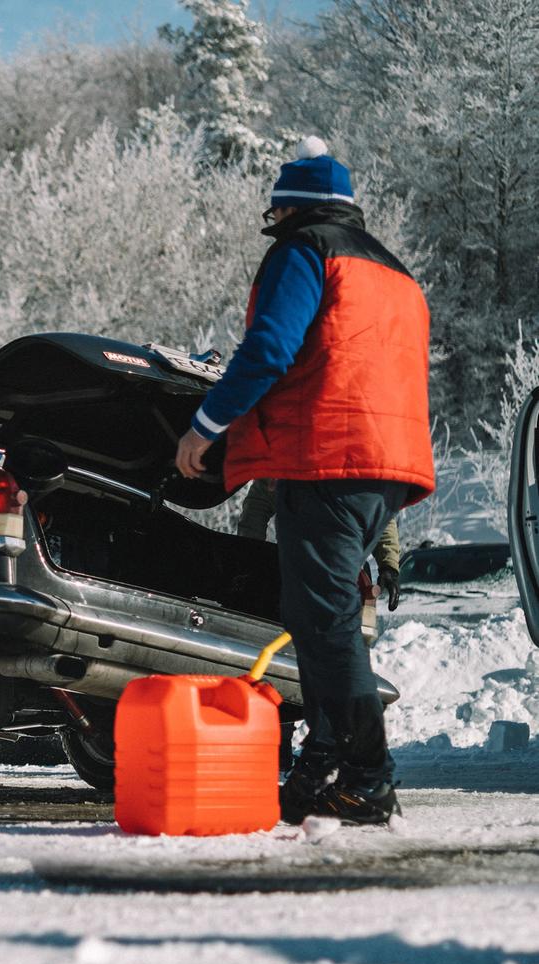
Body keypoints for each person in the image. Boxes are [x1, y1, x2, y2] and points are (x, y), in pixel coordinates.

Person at [174, 138, 434, 825]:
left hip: (327, 456)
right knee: (317, 619)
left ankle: (369, 775)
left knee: (325, 623)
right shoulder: (396, 272)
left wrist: (206, 425)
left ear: (288, 210)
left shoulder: (304, 250)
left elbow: (270, 349)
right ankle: (322, 761)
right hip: (388, 466)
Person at [238, 477, 403, 611]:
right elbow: (259, 502)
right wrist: (252, 551)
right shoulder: (294, 456)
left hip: (342, 576)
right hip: (291, 572)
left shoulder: (358, 462)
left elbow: (380, 512)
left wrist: (389, 565)